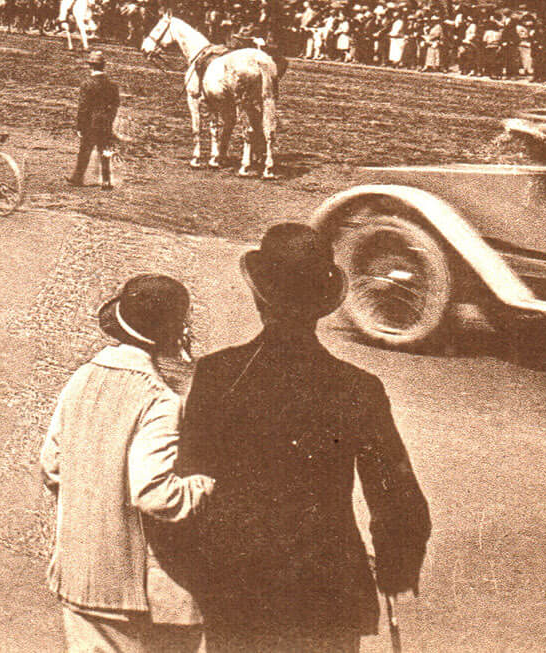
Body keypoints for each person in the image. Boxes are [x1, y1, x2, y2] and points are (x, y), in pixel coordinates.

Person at [178, 224, 430, 653]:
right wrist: (394, 568)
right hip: (327, 587)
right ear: (322, 305)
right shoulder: (357, 388)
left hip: (238, 586)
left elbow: (187, 477)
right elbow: (398, 496)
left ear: (259, 297)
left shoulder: (217, 374)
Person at [40, 274, 212, 653]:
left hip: (78, 572)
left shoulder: (81, 378)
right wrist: (205, 486)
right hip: (132, 590)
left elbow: (52, 464)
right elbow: (154, 494)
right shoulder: (159, 399)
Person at [70, 51, 120, 188]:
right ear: (103, 66)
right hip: (105, 123)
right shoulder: (112, 85)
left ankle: (77, 178)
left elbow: (83, 108)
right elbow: (115, 104)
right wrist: (109, 119)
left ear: (90, 66)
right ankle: (106, 180)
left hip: (90, 124)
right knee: (105, 151)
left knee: (85, 150)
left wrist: (80, 126)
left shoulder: (87, 84)